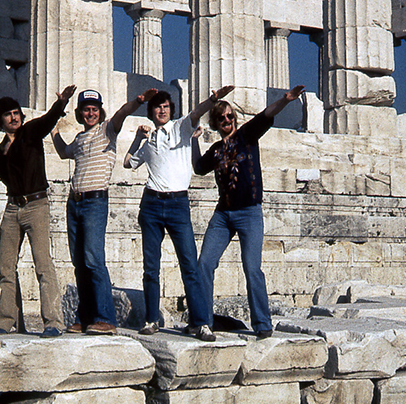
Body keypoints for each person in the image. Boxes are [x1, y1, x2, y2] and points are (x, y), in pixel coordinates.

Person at [192, 85, 304, 339]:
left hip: (249, 212)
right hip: (223, 215)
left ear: (235, 119)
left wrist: (285, 100)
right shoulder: (216, 151)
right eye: (221, 118)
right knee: (204, 264)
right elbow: (199, 168)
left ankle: (263, 324)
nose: (226, 120)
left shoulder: (246, 136)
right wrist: (193, 141)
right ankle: (203, 321)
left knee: (252, 268)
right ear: (215, 123)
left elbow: (266, 115)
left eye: (230, 116)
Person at [123, 86, 234, 342]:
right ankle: (151, 319)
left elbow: (196, 112)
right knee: (151, 267)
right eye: (157, 107)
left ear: (171, 110)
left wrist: (213, 99)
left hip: (177, 204)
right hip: (151, 203)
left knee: (189, 265)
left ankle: (201, 323)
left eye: (165, 107)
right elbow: (128, 162)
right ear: (151, 112)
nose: (161, 110)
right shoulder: (149, 141)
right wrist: (138, 138)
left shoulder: (181, 128)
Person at [51, 88, 158, 335]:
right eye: (86, 109)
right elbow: (62, 151)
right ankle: (86, 317)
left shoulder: (107, 130)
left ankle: (106, 318)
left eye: (94, 109)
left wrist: (139, 100)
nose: (90, 113)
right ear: (79, 113)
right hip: (74, 202)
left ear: (100, 112)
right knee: (79, 263)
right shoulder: (79, 139)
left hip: (94, 202)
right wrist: (53, 130)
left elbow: (122, 113)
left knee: (93, 260)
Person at [0, 85, 76, 338]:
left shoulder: (30, 133)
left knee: (43, 265)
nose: (14, 117)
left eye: (17, 112)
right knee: (6, 267)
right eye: (8, 114)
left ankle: (53, 322)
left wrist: (61, 102)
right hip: (12, 209)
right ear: (0, 121)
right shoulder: (1, 149)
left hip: (36, 206)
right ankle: (8, 322)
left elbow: (47, 121)